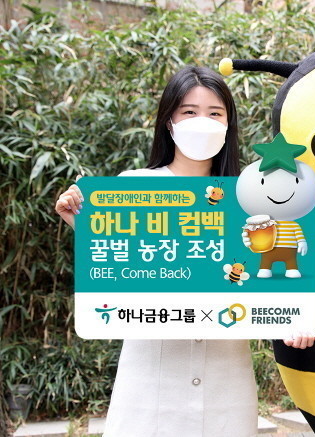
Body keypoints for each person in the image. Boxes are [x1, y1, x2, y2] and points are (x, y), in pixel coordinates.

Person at [55, 66, 257, 437]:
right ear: (169, 122)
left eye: (215, 113)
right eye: (189, 112)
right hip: (150, 383)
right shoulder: (134, 188)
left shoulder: (252, 197)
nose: (202, 122)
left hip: (227, 383)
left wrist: (296, 317)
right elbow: (122, 270)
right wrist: (83, 226)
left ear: (229, 124)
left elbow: (267, 280)